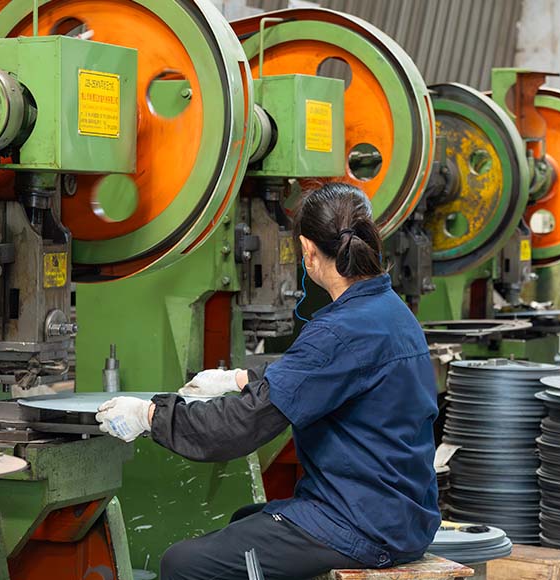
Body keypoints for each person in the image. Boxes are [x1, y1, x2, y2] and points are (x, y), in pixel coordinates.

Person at [95, 182, 441, 580]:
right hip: (402, 515)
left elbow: (240, 428)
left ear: (308, 251)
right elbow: (327, 374)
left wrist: (150, 415)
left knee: (184, 563)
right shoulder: (389, 310)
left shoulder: (339, 330)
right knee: (245, 517)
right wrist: (239, 378)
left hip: (361, 525)